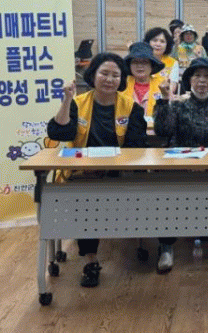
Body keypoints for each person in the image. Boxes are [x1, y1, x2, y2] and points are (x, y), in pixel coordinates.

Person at [47, 53, 147, 287]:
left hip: (117, 173)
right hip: (82, 175)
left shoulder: (130, 106)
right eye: (104, 73)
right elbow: (59, 133)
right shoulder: (78, 102)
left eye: (115, 75)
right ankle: (91, 261)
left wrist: (111, 166)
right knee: (86, 204)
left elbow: (137, 146)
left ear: (121, 80)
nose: (109, 79)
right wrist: (66, 100)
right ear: (93, 75)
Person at [153, 57, 208, 273]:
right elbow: (162, 131)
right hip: (180, 170)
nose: (202, 81)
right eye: (197, 76)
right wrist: (165, 99)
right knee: (165, 197)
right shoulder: (177, 106)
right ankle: (166, 248)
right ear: (189, 81)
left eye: (207, 76)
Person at [123, 42, 166, 116]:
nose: (140, 66)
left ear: (152, 66)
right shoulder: (121, 84)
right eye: (135, 62)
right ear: (129, 65)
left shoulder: (163, 85)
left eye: (145, 62)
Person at [144, 27, 179, 94]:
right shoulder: (142, 60)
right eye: (155, 40)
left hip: (163, 98)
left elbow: (172, 89)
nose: (158, 44)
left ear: (167, 45)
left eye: (162, 41)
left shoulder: (173, 63)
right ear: (148, 42)